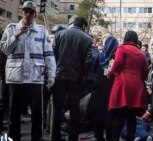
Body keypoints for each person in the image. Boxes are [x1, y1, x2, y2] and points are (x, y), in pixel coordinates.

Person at [0, 1, 56, 141]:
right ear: (21, 13)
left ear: (35, 15)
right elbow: (5, 50)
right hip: (16, 79)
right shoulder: (11, 28)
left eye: (31, 12)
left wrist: (51, 75)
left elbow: (49, 55)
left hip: (35, 78)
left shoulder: (42, 31)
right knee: (13, 115)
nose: (28, 14)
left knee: (37, 116)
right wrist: (16, 36)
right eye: (26, 11)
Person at [51, 16, 93, 141]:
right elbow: (88, 61)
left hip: (59, 76)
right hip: (76, 79)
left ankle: (55, 136)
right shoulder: (87, 39)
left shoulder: (59, 35)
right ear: (84, 26)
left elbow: (52, 55)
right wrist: (83, 77)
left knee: (57, 107)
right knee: (74, 109)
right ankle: (73, 137)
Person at [107, 30, 148, 141]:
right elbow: (145, 70)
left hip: (123, 84)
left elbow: (118, 63)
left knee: (119, 115)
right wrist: (139, 79)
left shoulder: (122, 48)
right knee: (131, 116)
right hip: (137, 85)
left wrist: (110, 74)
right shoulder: (141, 53)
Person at [87, 36, 119, 141]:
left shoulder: (99, 56)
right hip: (111, 89)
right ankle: (110, 136)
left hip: (98, 88)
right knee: (110, 114)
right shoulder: (117, 58)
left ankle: (98, 136)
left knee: (98, 114)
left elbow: (93, 69)